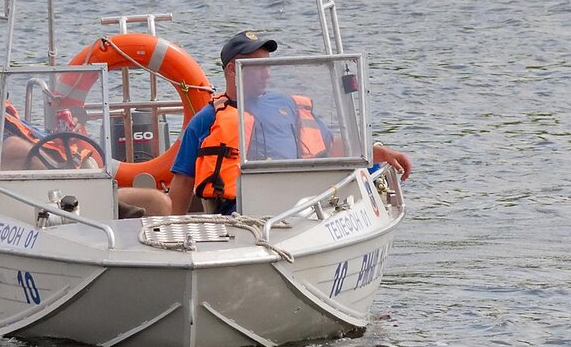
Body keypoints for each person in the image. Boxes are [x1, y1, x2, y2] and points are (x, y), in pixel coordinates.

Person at [169, 31, 413, 215]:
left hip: (303, 201)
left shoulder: (286, 105)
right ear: (233, 70)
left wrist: (377, 152)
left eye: (268, 65)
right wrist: (173, 227)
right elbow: (183, 180)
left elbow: (329, 147)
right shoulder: (208, 119)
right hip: (243, 212)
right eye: (257, 66)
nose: (267, 73)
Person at [0, 70, 171, 218]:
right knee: (12, 149)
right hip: (17, 213)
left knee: (158, 202)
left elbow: (54, 146)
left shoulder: (8, 125)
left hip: (75, 197)